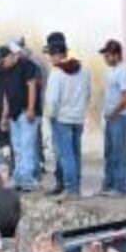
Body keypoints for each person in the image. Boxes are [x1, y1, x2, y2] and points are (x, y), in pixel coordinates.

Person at [43, 32, 91, 198]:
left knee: (66, 155)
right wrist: (80, 111)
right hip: (78, 118)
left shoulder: (56, 74)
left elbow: (53, 100)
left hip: (61, 119)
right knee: (76, 153)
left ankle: (71, 190)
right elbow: (87, 94)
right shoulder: (84, 70)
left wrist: (50, 117)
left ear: (56, 54)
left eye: (50, 54)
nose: (49, 58)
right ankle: (76, 187)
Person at [1, 42, 41, 192]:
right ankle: (19, 177)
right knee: (17, 147)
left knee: (27, 146)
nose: (3, 62)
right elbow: (6, 94)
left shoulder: (27, 65)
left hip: (26, 112)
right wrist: (4, 116)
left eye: (5, 59)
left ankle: (28, 179)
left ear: (13, 55)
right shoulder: (5, 70)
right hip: (14, 113)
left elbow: (32, 86)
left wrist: (31, 108)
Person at [99, 39, 126, 197]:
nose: (105, 58)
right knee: (109, 152)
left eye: (108, 55)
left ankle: (121, 187)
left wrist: (113, 112)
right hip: (111, 117)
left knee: (119, 152)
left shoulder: (123, 70)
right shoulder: (111, 70)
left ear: (116, 55)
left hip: (119, 117)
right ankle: (109, 184)